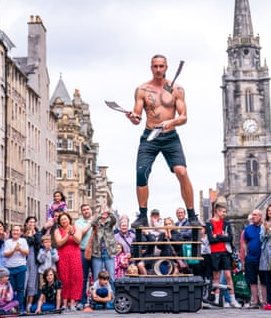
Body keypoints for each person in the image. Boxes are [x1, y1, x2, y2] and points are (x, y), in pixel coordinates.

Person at [127, 54, 202, 228]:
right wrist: (132, 117)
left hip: (170, 137)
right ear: (151, 67)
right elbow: (137, 118)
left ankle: (191, 215)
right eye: (155, 66)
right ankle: (143, 216)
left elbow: (184, 117)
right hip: (150, 136)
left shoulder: (177, 89)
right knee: (141, 172)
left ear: (166, 67)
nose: (158, 69)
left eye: (161, 66)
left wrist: (172, 121)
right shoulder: (142, 90)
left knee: (182, 172)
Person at [206, 202, 241, 308]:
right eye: (223, 211)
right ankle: (217, 300)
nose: (224, 214)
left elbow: (230, 238)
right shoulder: (209, 223)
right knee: (216, 276)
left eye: (225, 212)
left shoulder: (226, 223)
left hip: (225, 252)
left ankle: (232, 300)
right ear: (217, 211)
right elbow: (211, 239)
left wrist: (218, 236)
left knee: (228, 275)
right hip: (214, 252)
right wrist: (222, 236)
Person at [53, 212, 83, 311]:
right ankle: (65, 302)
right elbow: (59, 243)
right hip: (63, 255)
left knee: (75, 277)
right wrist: (67, 235)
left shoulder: (76, 228)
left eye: (65, 219)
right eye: (62, 220)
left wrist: (72, 233)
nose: (64, 221)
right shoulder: (57, 231)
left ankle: (73, 302)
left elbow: (78, 240)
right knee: (64, 278)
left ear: (69, 219)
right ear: (60, 222)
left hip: (75, 255)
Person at [90, 204, 118, 289]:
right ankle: (96, 299)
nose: (104, 213)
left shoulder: (110, 223)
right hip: (97, 252)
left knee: (111, 276)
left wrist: (108, 212)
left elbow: (114, 219)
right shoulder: (96, 223)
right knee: (96, 277)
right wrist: (100, 214)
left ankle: (111, 299)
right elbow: (92, 223)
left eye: (105, 212)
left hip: (108, 252)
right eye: (103, 211)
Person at [242, 209, 265, 308]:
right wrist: (246, 254)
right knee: (252, 281)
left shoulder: (264, 227)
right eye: (252, 215)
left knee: (264, 281)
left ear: (260, 216)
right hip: (251, 258)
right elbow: (244, 242)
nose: (253, 216)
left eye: (255, 215)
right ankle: (255, 301)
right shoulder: (248, 229)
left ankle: (264, 301)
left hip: (263, 258)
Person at [3, 224, 28, 311]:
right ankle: (12, 307)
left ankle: (20, 307)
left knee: (20, 288)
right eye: (14, 230)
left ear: (20, 232)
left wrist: (20, 249)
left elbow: (27, 252)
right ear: (11, 232)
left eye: (17, 230)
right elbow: (5, 254)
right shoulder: (8, 242)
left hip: (21, 267)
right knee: (11, 288)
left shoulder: (23, 241)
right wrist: (14, 250)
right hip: (10, 268)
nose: (15, 232)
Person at [73, 203, 93, 310]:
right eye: (84, 209)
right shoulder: (78, 222)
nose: (86, 211)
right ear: (81, 212)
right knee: (83, 277)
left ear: (91, 210)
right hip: (82, 251)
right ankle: (82, 301)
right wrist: (91, 224)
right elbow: (80, 234)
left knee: (95, 277)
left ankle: (94, 301)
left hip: (95, 252)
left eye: (87, 209)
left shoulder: (97, 220)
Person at [23, 216, 42, 312]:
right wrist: (29, 235)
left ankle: (29, 304)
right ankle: (22, 303)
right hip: (24, 260)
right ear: (26, 223)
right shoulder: (22, 235)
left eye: (34, 222)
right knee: (24, 282)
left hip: (34, 260)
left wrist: (34, 234)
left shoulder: (38, 233)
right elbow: (27, 243)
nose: (32, 224)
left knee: (32, 283)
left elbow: (39, 243)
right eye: (30, 222)